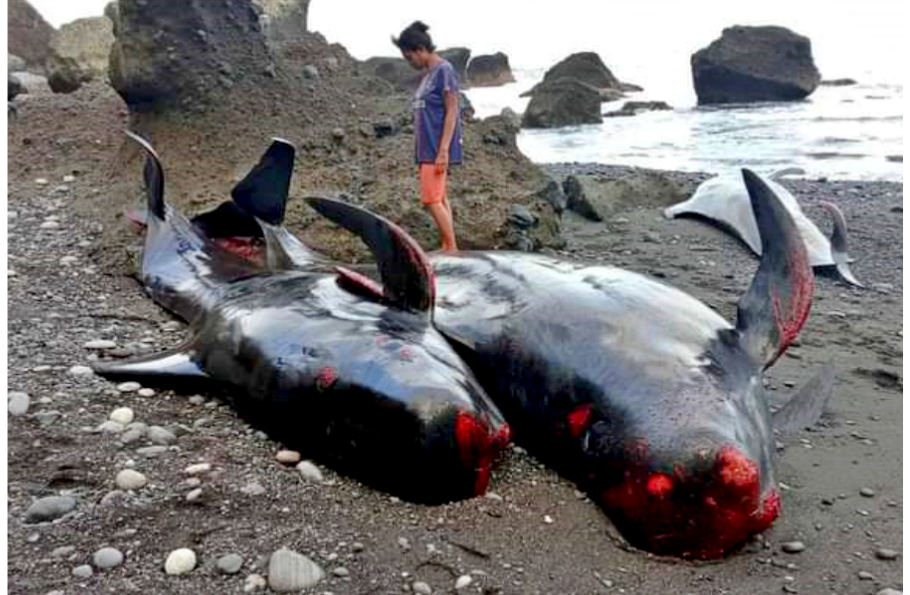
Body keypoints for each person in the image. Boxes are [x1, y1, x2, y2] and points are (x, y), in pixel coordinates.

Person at [392, 21, 462, 252]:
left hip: (436, 148)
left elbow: (452, 110)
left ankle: (451, 249)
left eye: (409, 57)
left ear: (420, 49)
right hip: (427, 148)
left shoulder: (444, 70)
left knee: (431, 200)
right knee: (440, 198)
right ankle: (448, 244)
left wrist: (443, 150)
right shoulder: (428, 76)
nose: (409, 63)